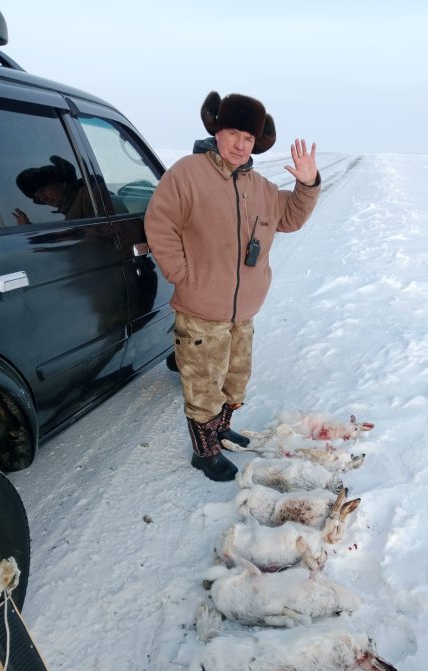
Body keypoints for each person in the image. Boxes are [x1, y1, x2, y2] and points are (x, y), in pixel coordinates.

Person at [145, 90, 320, 482]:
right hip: (201, 307)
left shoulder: (259, 185)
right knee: (203, 382)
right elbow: (160, 223)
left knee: (234, 376)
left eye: (249, 138)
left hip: (244, 310)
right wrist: (182, 274)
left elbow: (289, 218)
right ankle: (203, 451)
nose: (241, 144)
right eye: (234, 133)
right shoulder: (187, 173)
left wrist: (308, 185)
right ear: (218, 131)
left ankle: (220, 431)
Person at [14, 155, 94, 223]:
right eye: (38, 197)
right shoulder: (72, 209)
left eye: (42, 191)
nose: (42, 199)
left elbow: (99, 236)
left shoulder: (90, 196)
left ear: (62, 182)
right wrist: (27, 226)